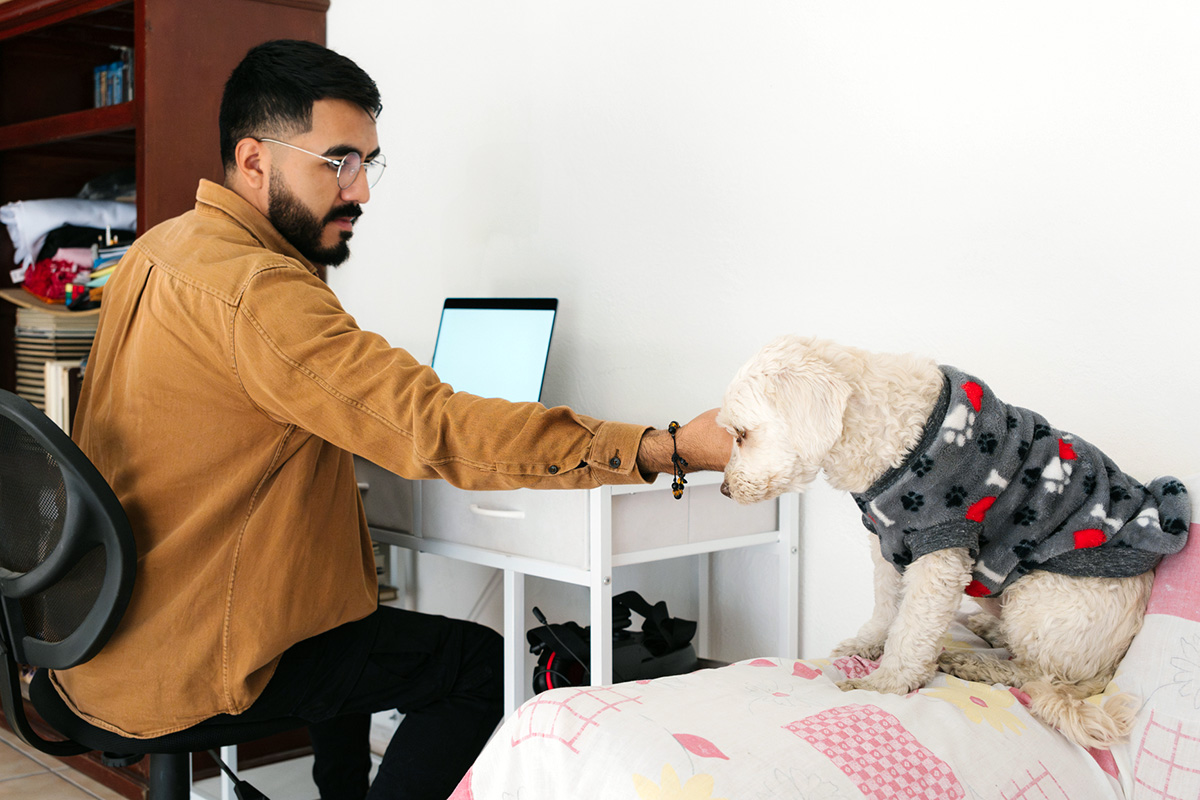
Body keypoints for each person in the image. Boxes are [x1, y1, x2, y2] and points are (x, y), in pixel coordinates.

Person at [55, 39, 731, 800]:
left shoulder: (158, 251)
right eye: (337, 162)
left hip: (101, 645)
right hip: (186, 665)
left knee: (344, 605)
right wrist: (662, 448)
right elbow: (433, 427)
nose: (360, 192)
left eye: (367, 163)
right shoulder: (261, 290)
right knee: (481, 669)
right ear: (254, 161)